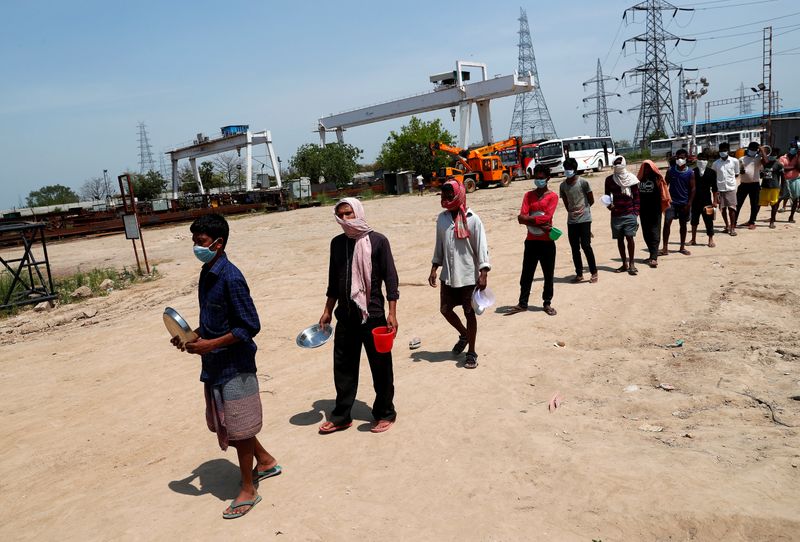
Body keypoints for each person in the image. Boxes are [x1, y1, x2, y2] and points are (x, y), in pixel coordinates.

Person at [171, 213, 279, 520]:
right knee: (232, 422)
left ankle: (248, 489)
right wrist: (190, 338)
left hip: (237, 364)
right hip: (216, 363)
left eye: (201, 242)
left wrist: (211, 345)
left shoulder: (231, 277)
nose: (196, 246)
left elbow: (250, 326)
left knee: (240, 429)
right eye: (194, 241)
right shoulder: (208, 272)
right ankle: (266, 462)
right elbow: (212, 322)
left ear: (218, 244)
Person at [319, 198, 399, 434]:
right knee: (343, 367)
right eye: (341, 215)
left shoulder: (378, 241)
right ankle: (342, 415)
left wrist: (392, 313)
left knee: (381, 367)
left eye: (349, 214)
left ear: (359, 213)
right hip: (345, 316)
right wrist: (326, 310)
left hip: (374, 316)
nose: (345, 219)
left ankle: (385, 412)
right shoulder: (337, 244)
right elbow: (334, 281)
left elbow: (390, 278)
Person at [429, 179, 491, 369]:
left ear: (459, 195)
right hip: (448, 275)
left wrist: (483, 273)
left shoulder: (473, 219)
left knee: (469, 313)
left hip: (468, 276)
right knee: (445, 310)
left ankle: (471, 351)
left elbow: (481, 247)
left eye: (450, 196)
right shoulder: (442, 219)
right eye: (444, 196)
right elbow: (439, 244)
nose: (446, 199)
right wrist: (434, 267)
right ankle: (464, 334)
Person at [509, 164, 559, 315]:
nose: (538, 180)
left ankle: (547, 303)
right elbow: (520, 217)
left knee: (548, 274)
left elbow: (547, 218)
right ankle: (522, 303)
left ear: (548, 178)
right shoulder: (528, 196)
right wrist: (538, 222)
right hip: (531, 240)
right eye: (536, 178)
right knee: (526, 274)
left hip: (547, 242)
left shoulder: (553, 196)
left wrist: (528, 219)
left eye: (541, 178)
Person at [559, 157, 597, 283]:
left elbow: (591, 200)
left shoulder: (583, 182)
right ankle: (579, 274)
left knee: (586, 246)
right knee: (574, 248)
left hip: (585, 219)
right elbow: (565, 202)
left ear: (574, 170)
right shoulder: (563, 186)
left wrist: (584, 210)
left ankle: (594, 272)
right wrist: (572, 211)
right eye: (566, 169)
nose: (567, 171)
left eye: (569, 169)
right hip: (572, 220)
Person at [605, 156, 640, 275]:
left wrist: (636, 213)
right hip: (616, 215)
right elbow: (607, 196)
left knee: (630, 238)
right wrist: (609, 205)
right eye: (616, 164)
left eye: (620, 163)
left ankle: (632, 264)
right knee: (619, 239)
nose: (618, 165)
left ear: (624, 164)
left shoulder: (632, 179)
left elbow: (636, 197)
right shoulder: (609, 180)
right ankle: (624, 264)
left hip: (630, 213)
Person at [661, 148, 696, 256]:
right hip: (671, 203)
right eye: (678, 157)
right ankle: (665, 248)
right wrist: (664, 199)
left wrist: (689, 203)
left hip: (684, 203)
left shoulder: (690, 172)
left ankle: (682, 247)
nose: (680, 159)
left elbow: (693, 189)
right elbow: (665, 185)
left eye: (682, 158)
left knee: (683, 225)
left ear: (686, 159)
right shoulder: (671, 171)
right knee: (667, 223)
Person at [636, 160, 669, 268]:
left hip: (655, 210)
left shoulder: (658, 179)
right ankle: (651, 254)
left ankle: (654, 258)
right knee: (646, 233)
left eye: (649, 168)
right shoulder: (639, 180)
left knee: (655, 231)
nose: (647, 170)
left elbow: (663, 194)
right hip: (643, 210)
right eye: (645, 168)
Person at [736, 141, 769, 230]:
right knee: (737, 204)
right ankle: (733, 222)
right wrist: (741, 171)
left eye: (755, 149)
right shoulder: (742, 159)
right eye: (751, 149)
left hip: (755, 185)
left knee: (754, 204)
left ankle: (752, 222)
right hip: (743, 185)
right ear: (748, 149)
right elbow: (738, 171)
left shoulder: (758, 158)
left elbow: (766, 162)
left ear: (757, 150)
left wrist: (762, 151)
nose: (753, 151)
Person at [711, 142, 740, 236]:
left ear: (728, 151)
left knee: (732, 209)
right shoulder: (716, 163)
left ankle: (732, 227)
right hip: (720, 189)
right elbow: (713, 175)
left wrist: (730, 181)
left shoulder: (734, 161)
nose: (722, 152)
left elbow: (736, 174)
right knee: (722, 209)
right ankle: (726, 225)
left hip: (731, 188)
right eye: (721, 151)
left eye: (724, 150)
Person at [690, 152, 718, 247]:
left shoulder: (712, 172)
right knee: (694, 221)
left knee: (708, 220)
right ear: (697, 160)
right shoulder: (693, 172)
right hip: (695, 201)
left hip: (707, 201)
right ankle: (693, 239)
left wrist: (715, 201)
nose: (702, 161)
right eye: (700, 159)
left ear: (707, 161)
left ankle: (710, 239)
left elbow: (715, 188)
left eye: (704, 159)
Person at [759, 147, 784, 229]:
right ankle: (752, 220)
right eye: (771, 154)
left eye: (774, 154)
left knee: (774, 205)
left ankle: (772, 221)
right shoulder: (765, 163)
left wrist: (782, 189)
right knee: (758, 204)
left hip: (774, 187)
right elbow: (761, 175)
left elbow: (783, 178)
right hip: (764, 187)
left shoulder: (779, 165)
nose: (772, 156)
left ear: (777, 155)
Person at [779, 142, 800, 223]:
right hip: (785, 181)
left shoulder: (797, 157)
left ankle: (791, 216)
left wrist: (799, 155)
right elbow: (782, 168)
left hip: (796, 180)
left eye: (795, 147)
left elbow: (799, 168)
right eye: (792, 147)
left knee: (795, 200)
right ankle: (772, 217)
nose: (793, 149)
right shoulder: (782, 158)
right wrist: (794, 167)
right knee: (780, 198)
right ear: (789, 148)